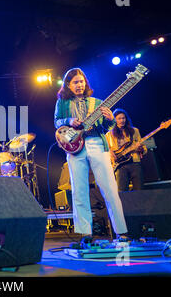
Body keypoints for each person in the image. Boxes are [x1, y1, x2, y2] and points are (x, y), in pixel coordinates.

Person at [54, 68, 128, 241]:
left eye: (81, 81)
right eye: (75, 82)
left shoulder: (98, 103)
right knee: (79, 190)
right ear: (68, 85)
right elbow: (57, 121)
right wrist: (69, 121)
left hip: (96, 143)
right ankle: (85, 233)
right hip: (74, 147)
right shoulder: (63, 103)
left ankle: (121, 232)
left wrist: (110, 120)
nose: (79, 85)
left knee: (110, 188)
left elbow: (104, 128)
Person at [106, 109, 147, 191]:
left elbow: (144, 148)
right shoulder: (109, 134)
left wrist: (140, 149)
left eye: (123, 118)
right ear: (115, 120)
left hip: (134, 163)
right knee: (122, 191)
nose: (122, 120)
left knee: (139, 190)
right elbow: (106, 149)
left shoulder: (134, 131)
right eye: (119, 118)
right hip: (120, 166)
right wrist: (110, 154)